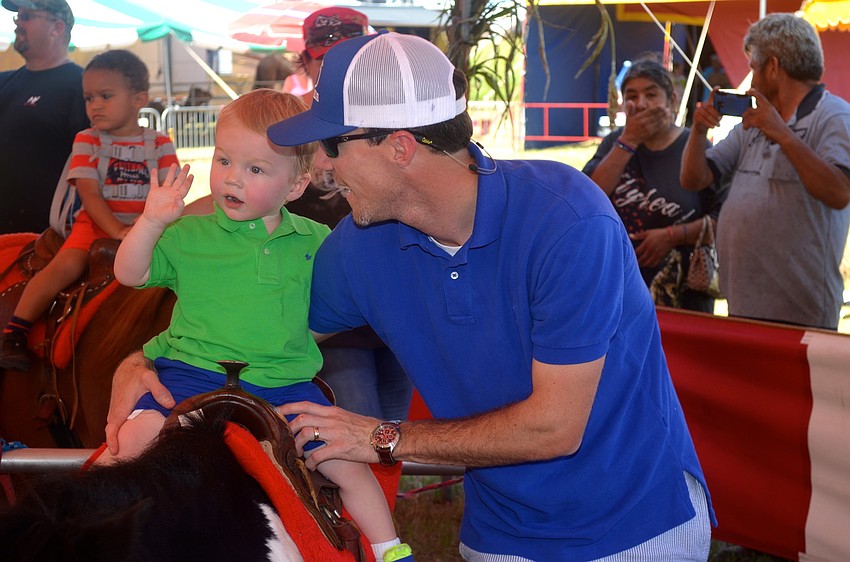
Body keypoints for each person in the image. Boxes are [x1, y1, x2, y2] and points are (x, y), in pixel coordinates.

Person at [108, 32, 714, 561]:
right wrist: (144, 361)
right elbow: (257, 329)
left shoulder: (567, 217)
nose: (319, 167)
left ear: (398, 148)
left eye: (332, 145)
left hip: (636, 527)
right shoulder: (358, 246)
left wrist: (378, 437)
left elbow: (554, 428)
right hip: (500, 533)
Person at [105, 89, 412, 562]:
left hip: (283, 381)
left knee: (345, 459)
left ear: (295, 187)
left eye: (255, 170)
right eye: (223, 160)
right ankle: (96, 523)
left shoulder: (316, 240)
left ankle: (391, 548)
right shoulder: (188, 233)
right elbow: (129, 273)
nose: (231, 179)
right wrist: (151, 222)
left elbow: (352, 295)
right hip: (191, 371)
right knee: (134, 438)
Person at [0, 50, 178, 372]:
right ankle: (16, 330)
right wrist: (116, 231)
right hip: (96, 225)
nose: (94, 105)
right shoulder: (87, 140)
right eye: (89, 98)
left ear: (138, 98)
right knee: (66, 264)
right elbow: (89, 193)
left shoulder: (160, 144)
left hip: (147, 227)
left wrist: (146, 226)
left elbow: (169, 189)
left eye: (106, 96)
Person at [681, 13, 850, 330]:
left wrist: (782, 134)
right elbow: (695, 179)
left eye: (753, 67)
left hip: (801, 314)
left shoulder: (835, 115)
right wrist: (698, 132)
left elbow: (839, 192)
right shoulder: (754, 121)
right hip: (742, 304)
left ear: (773, 67)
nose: (751, 78)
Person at [284, 5, 413, 422]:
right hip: (328, 312)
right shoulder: (285, 123)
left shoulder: (396, 116)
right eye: (328, 59)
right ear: (306, 61)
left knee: (390, 436)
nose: (341, 69)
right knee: (362, 432)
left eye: (354, 58)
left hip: (393, 312)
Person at [582, 59, 726, 312]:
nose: (641, 104)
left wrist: (671, 237)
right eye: (632, 96)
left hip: (683, 294)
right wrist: (630, 140)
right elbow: (588, 198)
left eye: (651, 94)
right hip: (620, 288)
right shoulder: (615, 143)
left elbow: (723, 218)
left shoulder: (694, 147)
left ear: (671, 101)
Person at [0, 0, 89, 234]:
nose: (18, 23)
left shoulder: (83, 86)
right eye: (17, 16)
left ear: (57, 28)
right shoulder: (4, 82)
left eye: (27, 16)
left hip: (47, 240)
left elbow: (93, 166)